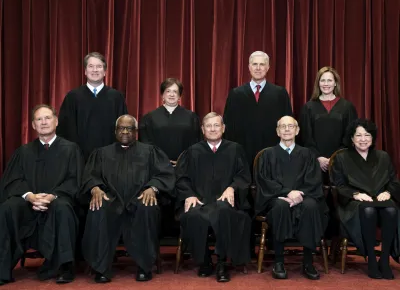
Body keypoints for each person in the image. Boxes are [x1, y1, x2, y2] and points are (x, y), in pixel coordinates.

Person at [80, 115, 175, 283]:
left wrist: (152, 188)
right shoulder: (102, 153)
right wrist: (95, 188)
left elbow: (166, 174)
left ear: (136, 131)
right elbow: (89, 176)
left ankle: (144, 266)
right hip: (111, 200)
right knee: (98, 208)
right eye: (121, 128)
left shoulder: (150, 151)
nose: (125, 131)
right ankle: (101, 267)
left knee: (147, 207)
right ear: (115, 131)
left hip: (139, 199)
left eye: (129, 128)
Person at [0, 104, 83, 285]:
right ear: (33, 125)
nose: (44, 122)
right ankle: (3, 269)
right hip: (28, 204)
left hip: (57, 202)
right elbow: (13, 181)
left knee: (63, 208)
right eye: (39, 119)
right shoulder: (24, 152)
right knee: (7, 208)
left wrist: (52, 196)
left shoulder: (71, 149)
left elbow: (74, 180)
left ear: (56, 121)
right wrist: (30, 196)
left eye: (47, 118)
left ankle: (64, 267)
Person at [175, 112, 252, 283]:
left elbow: (244, 176)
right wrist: (189, 195)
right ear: (202, 129)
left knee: (224, 212)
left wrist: (232, 188)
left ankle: (222, 263)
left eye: (216, 125)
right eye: (208, 126)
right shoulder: (193, 151)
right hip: (200, 200)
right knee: (193, 215)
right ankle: (205, 260)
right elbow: (182, 178)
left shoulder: (235, 149)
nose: (213, 129)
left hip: (225, 202)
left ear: (223, 128)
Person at [255, 116, 328, 280]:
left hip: (305, 196)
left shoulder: (307, 154)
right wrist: (288, 192)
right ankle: (279, 262)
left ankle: (308, 262)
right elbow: (264, 181)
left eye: (290, 126)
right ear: (277, 131)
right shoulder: (268, 155)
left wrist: (298, 194)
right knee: (280, 206)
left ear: (297, 130)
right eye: (283, 126)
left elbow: (314, 180)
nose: (287, 129)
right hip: (276, 197)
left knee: (311, 207)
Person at [330, 119, 400, 279]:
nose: (363, 139)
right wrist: (355, 194)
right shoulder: (342, 158)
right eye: (358, 135)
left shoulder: (383, 156)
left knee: (390, 210)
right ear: (352, 138)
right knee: (368, 210)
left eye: (367, 135)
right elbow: (338, 186)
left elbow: (394, 181)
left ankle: (384, 259)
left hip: (381, 199)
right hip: (354, 203)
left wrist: (388, 192)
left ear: (372, 137)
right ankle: (371, 260)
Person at [223, 51, 293, 171]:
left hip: (273, 155)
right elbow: (228, 127)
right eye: (255, 64)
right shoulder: (236, 94)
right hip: (243, 154)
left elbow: (288, 125)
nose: (258, 68)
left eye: (262, 64)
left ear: (268, 67)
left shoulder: (280, 94)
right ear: (249, 67)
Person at [57, 52, 128, 161]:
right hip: (79, 159)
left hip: (111, 158)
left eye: (99, 66)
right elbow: (64, 129)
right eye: (91, 66)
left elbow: (124, 128)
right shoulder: (73, 97)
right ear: (85, 71)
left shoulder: (116, 97)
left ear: (104, 72)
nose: (95, 70)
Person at [299, 66, 358, 182]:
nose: (326, 84)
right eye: (323, 80)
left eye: (330, 80)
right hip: (314, 163)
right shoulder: (308, 107)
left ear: (335, 83)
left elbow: (350, 136)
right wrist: (318, 158)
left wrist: (334, 158)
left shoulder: (347, 107)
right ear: (318, 83)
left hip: (341, 161)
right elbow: (306, 137)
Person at [139, 77, 202, 165]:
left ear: (180, 96)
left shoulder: (191, 117)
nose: (171, 94)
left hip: (185, 166)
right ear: (162, 95)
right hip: (158, 166)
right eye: (168, 91)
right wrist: (160, 161)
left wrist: (183, 161)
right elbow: (146, 144)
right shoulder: (149, 118)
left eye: (175, 91)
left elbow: (196, 143)